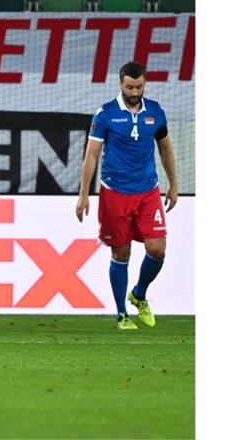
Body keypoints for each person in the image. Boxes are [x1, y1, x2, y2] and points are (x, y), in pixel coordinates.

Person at [76, 61, 178, 330]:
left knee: (157, 249)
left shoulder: (155, 112)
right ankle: (122, 314)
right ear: (120, 84)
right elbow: (91, 155)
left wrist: (174, 184)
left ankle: (139, 294)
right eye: (130, 86)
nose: (135, 91)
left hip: (148, 191)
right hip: (115, 193)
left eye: (139, 86)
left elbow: (166, 148)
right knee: (121, 253)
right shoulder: (106, 114)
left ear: (145, 84)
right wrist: (83, 195)